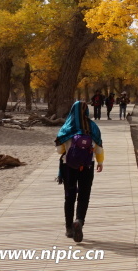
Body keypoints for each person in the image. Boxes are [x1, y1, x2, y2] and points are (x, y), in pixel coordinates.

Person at [55, 101, 104, 242]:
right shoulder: (93, 127)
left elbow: (59, 150)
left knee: (69, 196)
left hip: (68, 166)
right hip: (87, 166)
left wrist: (68, 148)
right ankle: (79, 220)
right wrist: (100, 162)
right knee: (84, 195)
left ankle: (69, 228)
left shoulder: (67, 126)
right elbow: (99, 147)